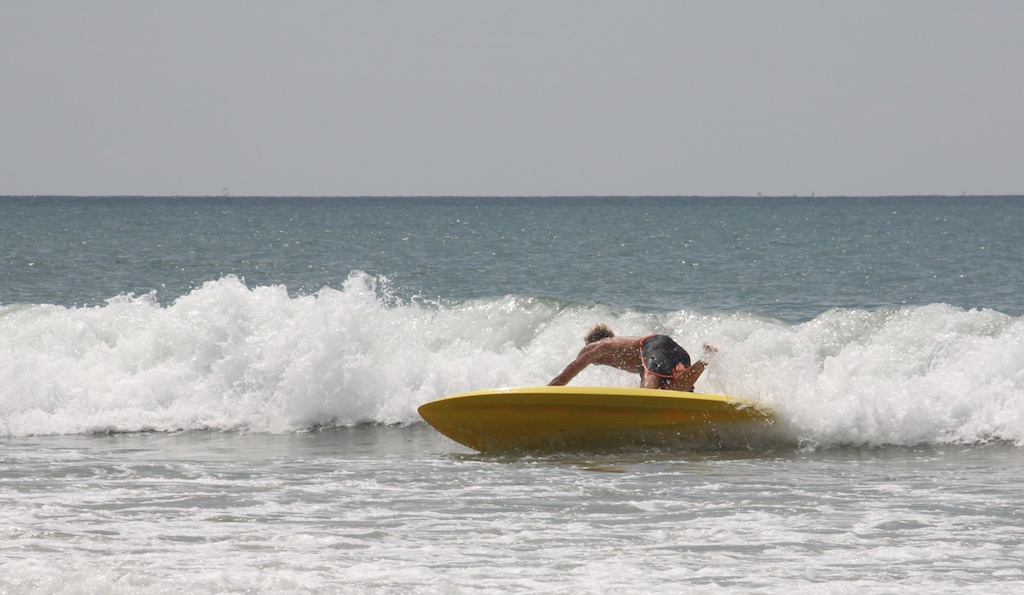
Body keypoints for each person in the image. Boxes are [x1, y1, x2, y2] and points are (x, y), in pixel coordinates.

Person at [548, 323, 713, 392]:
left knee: (649, 395)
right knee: (675, 392)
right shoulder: (623, 350)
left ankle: (706, 359)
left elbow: (565, 376)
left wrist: (545, 394)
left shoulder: (596, 346)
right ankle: (706, 359)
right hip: (677, 350)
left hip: (653, 345)